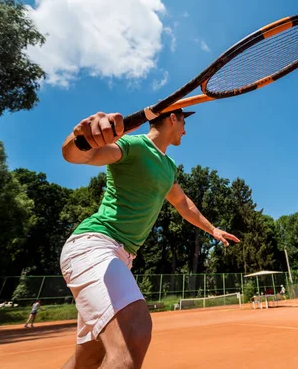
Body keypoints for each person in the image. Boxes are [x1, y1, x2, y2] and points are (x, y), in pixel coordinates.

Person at [59, 109, 240, 369]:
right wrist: (82, 138)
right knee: (134, 332)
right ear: (173, 118)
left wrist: (212, 229)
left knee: (89, 356)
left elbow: (182, 203)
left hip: (119, 257)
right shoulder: (133, 145)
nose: (186, 131)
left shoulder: (168, 166)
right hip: (94, 244)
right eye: (184, 122)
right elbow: (82, 155)